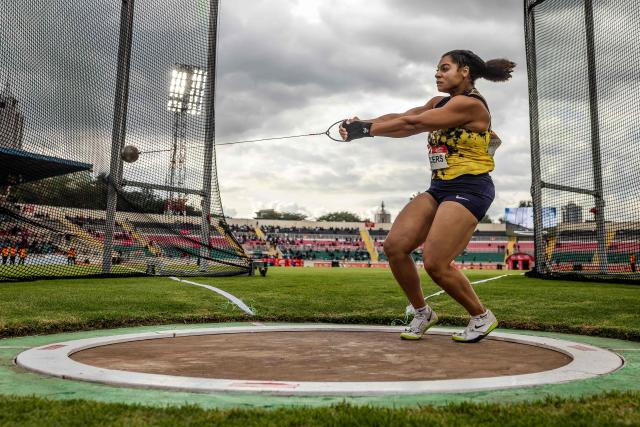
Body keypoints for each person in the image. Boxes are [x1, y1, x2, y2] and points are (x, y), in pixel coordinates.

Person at [340, 50, 515, 342]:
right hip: (440, 187)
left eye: (445, 68)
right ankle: (423, 312)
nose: (438, 74)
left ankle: (481, 317)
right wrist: (363, 122)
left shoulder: (471, 106)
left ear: (465, 72)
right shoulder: (438, 102)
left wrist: (366, 130)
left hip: (470, 187)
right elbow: (406, 116)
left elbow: (414, 126)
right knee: (395, 247)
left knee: (435, 262)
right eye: (437, 69)